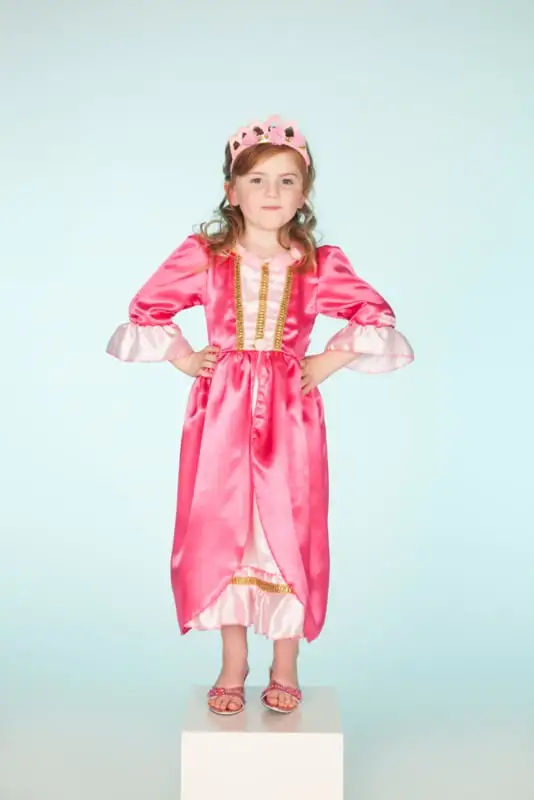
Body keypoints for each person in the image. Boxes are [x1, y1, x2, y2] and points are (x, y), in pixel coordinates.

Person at [106, 115, 414, 715]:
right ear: (232, 190)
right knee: (226, 525)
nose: (272, 193)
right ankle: (233, 661)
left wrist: (325, 360)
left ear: (304, 194)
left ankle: (285, 662)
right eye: (257, 180)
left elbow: (375, 314)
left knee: (287, 527)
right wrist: (185, 357)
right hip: (221, 412)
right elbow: (147, 308)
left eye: (286, 181)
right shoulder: (207, 257)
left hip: (289, 415)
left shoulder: (316, 264)